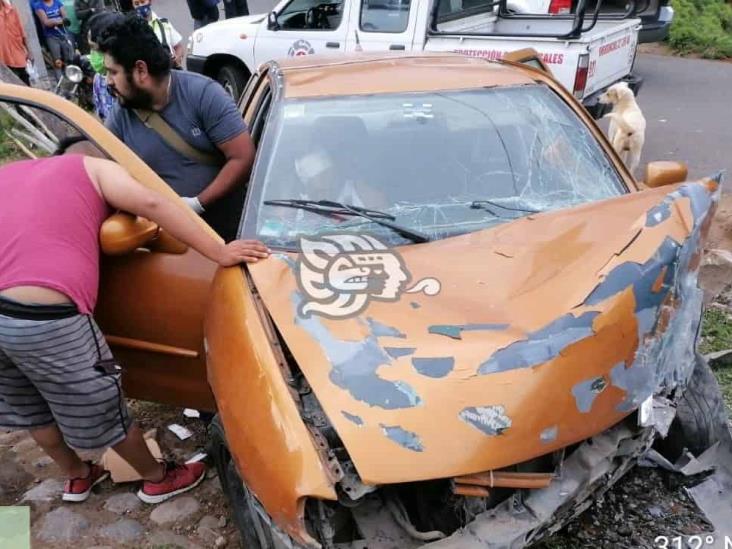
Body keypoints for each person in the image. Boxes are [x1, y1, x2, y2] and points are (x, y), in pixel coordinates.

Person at [0, 137, 270, 504]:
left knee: (31, 407)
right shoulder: (93, 167)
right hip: (43, 313)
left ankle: (78, 476)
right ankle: (158, 478)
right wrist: (219, 250)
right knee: (105, 405)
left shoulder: (10, 173)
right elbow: (151, 202)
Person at [100, 15, 255, 241]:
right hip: (166, 242)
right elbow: (105, 174)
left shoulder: (203, 94)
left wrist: (198, 204)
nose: (107, 82)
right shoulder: (120, 115)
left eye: (113, 72)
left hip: (227, 234)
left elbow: (243, 157)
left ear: (141, 71)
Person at [88, 11, 121, 120]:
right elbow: (101, 113)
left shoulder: (129, 79)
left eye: (96, 50)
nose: (93, 55)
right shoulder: (98, 79)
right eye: (91, 49)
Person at [131, 0, 183, 69]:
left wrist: (178, 57)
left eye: (143, 2)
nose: (140, 6)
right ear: (133, 6)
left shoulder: (164, 23)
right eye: (136, 4)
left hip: (171, 71)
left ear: (150, 1)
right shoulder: (132, 29)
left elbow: (178, 46)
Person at [32, 0, 74, 80]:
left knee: (68, 59)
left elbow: (66, 17)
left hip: (63, 34)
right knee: (57, 61)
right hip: (51, 37)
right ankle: (61, 83)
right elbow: (46, 22)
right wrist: (60, 21)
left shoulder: (57, 2)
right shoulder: (39, 5)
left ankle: (71, 79)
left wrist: (55, 21)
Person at [0, 0, 33, 85]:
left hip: (18, 53)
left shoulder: (12, 10)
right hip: (3, 57)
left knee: (25, 80)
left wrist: (29, 51)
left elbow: (22, 31)